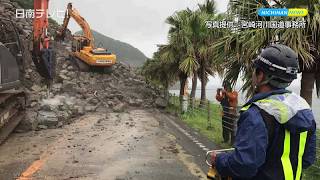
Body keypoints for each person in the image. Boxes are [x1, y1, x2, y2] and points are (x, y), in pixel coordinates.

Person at [211, 44, 316, 180]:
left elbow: (243, 166)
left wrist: (219, 160)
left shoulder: (256, 114)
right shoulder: (303, 108)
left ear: (260, 75)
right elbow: (307, 159)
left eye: (255, 70)